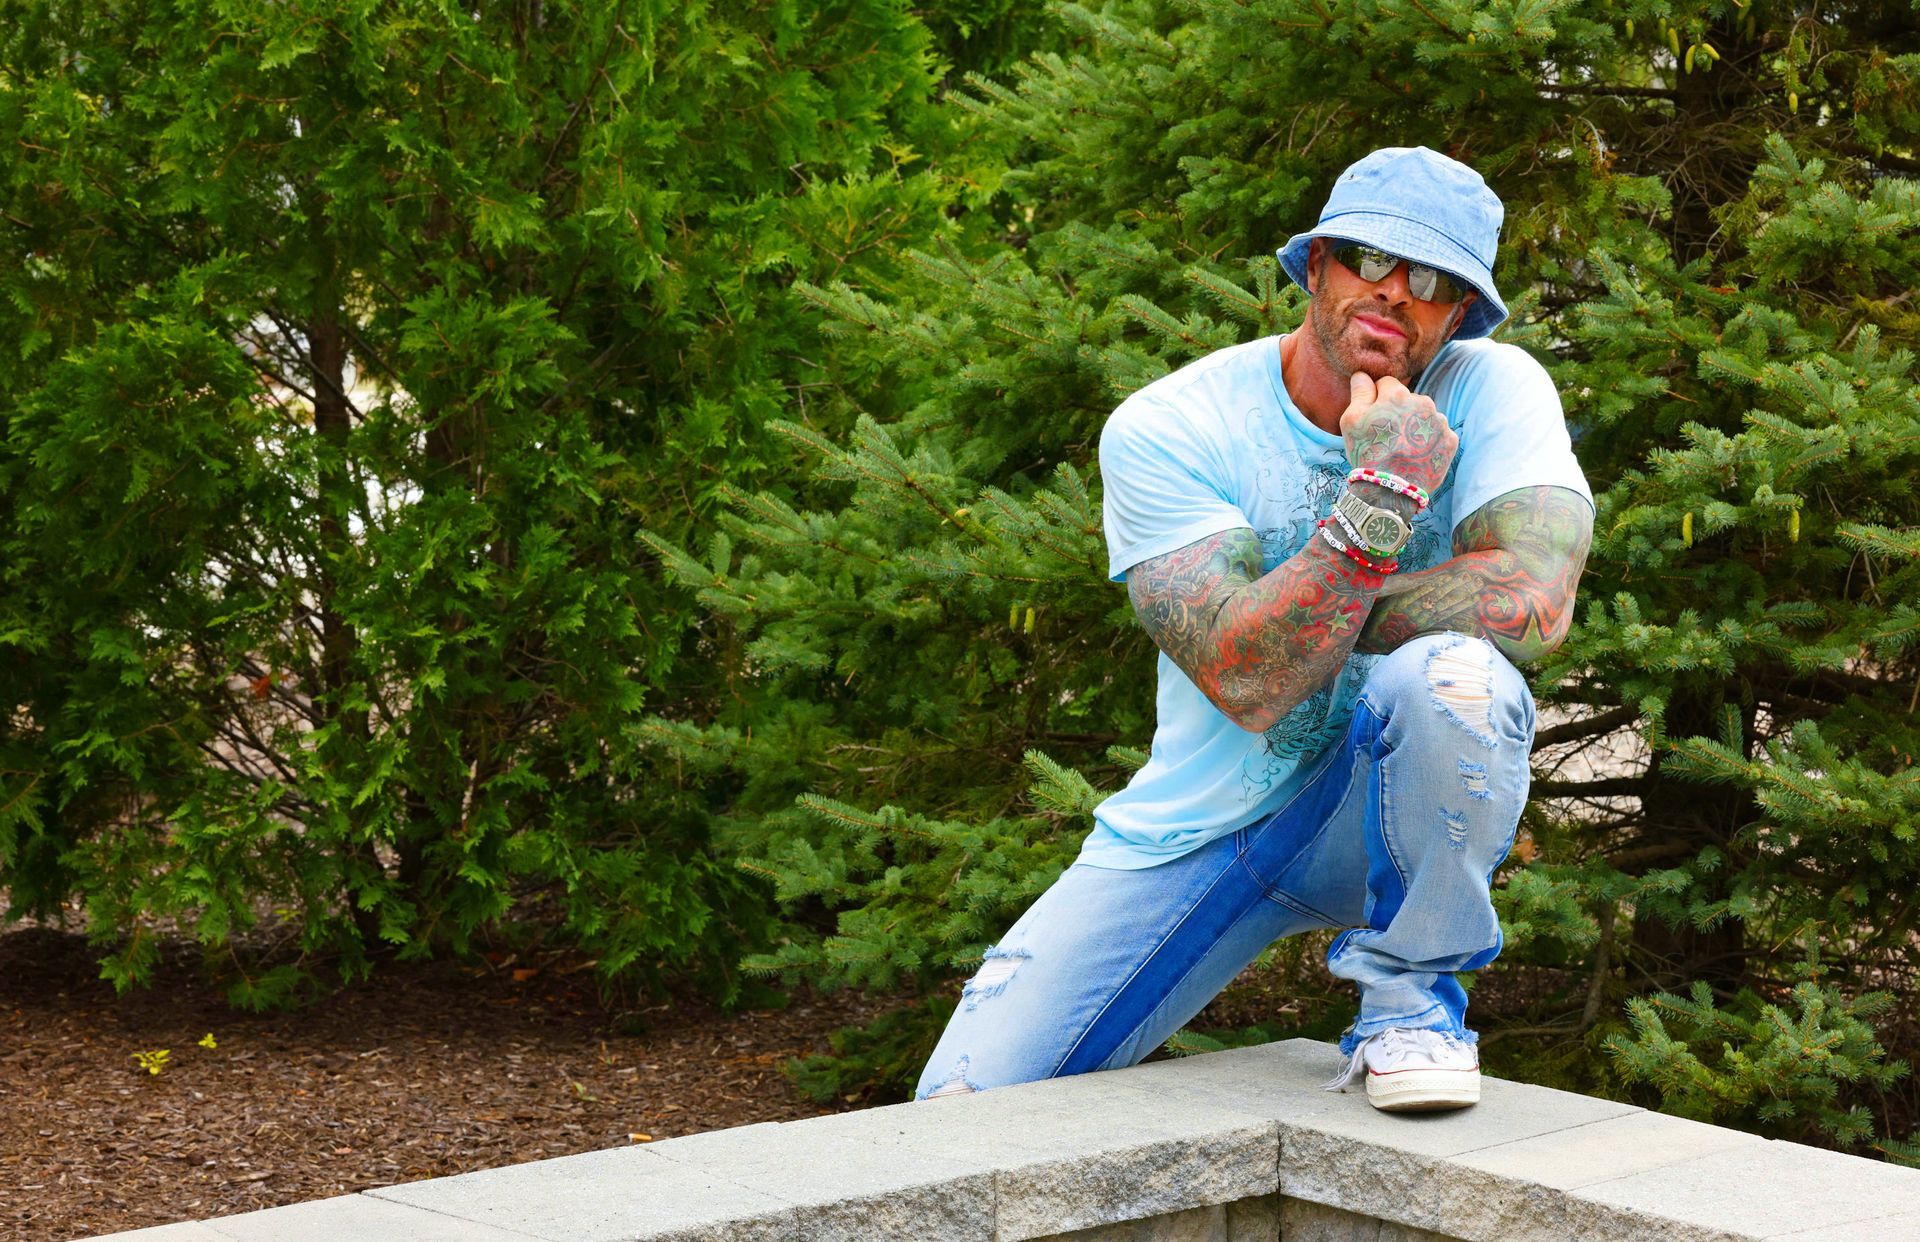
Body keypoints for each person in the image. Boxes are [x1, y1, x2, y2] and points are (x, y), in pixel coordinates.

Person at [913, 146, 1594, 1113]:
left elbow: (1533, 600)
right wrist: (1383, 496)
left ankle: (1410, 1006)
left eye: (1434, 281)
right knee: (965, 1106)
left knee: (1455, 677)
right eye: (1370, 258)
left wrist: (1296, 614)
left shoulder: (1494, 388)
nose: (1395, 292)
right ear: (1316, 265)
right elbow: (1248, 681)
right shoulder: (1173, 425)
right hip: (1206, 825)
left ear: (1459, 316)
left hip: (1387, 803)